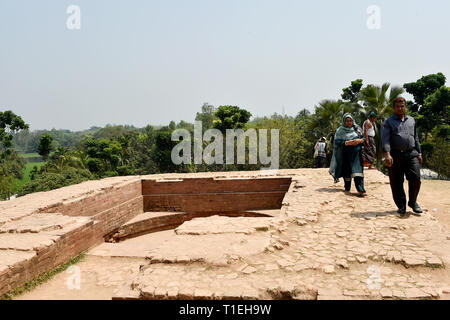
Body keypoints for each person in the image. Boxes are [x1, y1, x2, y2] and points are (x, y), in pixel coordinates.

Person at [381, 97, 423, 216]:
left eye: (402, 106)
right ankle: (401, 205)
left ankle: (413, 202)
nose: (400, 108)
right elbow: (385, 140)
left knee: (416, 178)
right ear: (394, 108)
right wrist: (387, 154)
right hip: (395, 155)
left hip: (411, 154)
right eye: (398, 106)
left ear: (405, 107)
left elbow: (416, 138)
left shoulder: (412, 120)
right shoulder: (388, 122)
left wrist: (419, 153)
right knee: (396, 182)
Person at [329, 113, 366, 196]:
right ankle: (347, 186)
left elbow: (364, 139)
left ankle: (360, 189)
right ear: (344, 122)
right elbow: (336, 142)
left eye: (350, 121)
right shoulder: (340, 130)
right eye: (347, 121)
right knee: (347, 171)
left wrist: (359, 141)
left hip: (356, 154)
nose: (349, 122)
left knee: (358, 171)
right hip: (345, 154)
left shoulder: (357, 129)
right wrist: (346, 143)